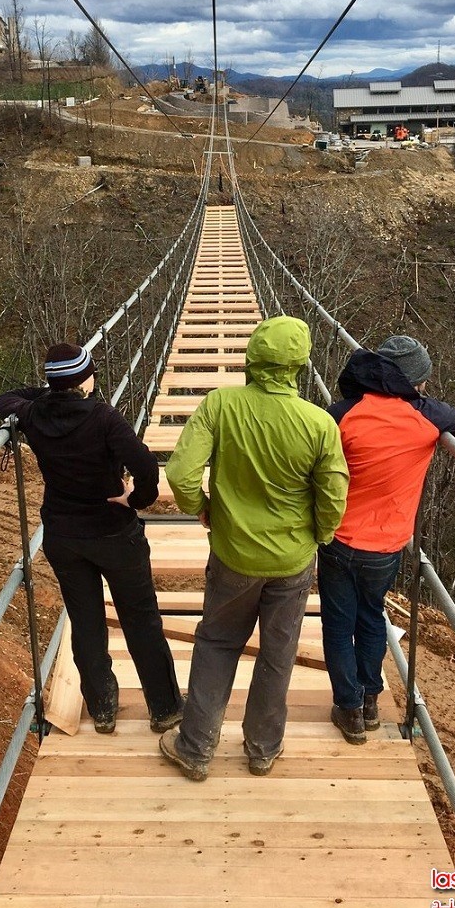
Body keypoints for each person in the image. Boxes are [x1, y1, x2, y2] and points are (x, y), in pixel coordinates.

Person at [160, 316, 350, 781]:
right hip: (292, 559)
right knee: (278, 652)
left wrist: (201, 507)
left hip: (233, 555)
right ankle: (263, 749)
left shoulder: (219, 405)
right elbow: (334, 496)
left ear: (251, 359)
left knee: (218, 643)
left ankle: (197, 746)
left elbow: (180, 473)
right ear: (301, 366)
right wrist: (319, 536)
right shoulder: (319, 423)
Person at [0, 343, 182, 735]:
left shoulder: (33, 414)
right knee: (141, 620)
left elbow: (6, 398)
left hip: (64, 536)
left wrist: (50, 392)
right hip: (113, 531)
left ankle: (102, 709)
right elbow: (147, 466)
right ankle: (164, 709)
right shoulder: (104, 418)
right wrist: (137, 499)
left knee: (86, 622)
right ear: (85, 378)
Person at [320, 334, 455, 745]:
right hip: (386, 545)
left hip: (336, 539)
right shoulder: (426, 416)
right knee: (371, 617)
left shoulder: (343, 413)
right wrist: (424, 405)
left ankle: (349, 709)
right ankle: (372, 701)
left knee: (338, 624)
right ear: (412, 381)